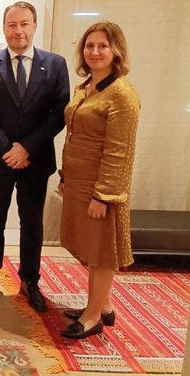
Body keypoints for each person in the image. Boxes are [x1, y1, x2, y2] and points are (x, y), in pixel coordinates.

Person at [0, 1, 69, 312]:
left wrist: (26, 147)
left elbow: (58, 115)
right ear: (4, 28)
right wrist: (7, 149)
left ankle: (30, 280)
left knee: (32, 223)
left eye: (24, 24)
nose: (18, 30)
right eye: (12, 24)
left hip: (35, 159)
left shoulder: (55, 65)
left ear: (34, 26)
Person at [58, 21, 140, 339]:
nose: (94, 51)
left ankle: (92, 317)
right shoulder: (85, 87)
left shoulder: (122, 94)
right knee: (89, 248)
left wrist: (104, 196)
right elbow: (74, 135)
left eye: (102, 46)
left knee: (102, 252)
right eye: (89, 45)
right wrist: (66, 176)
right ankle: (103, 306)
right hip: (78, 183)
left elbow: (120, 152)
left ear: (115, 50)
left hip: (101, 189)